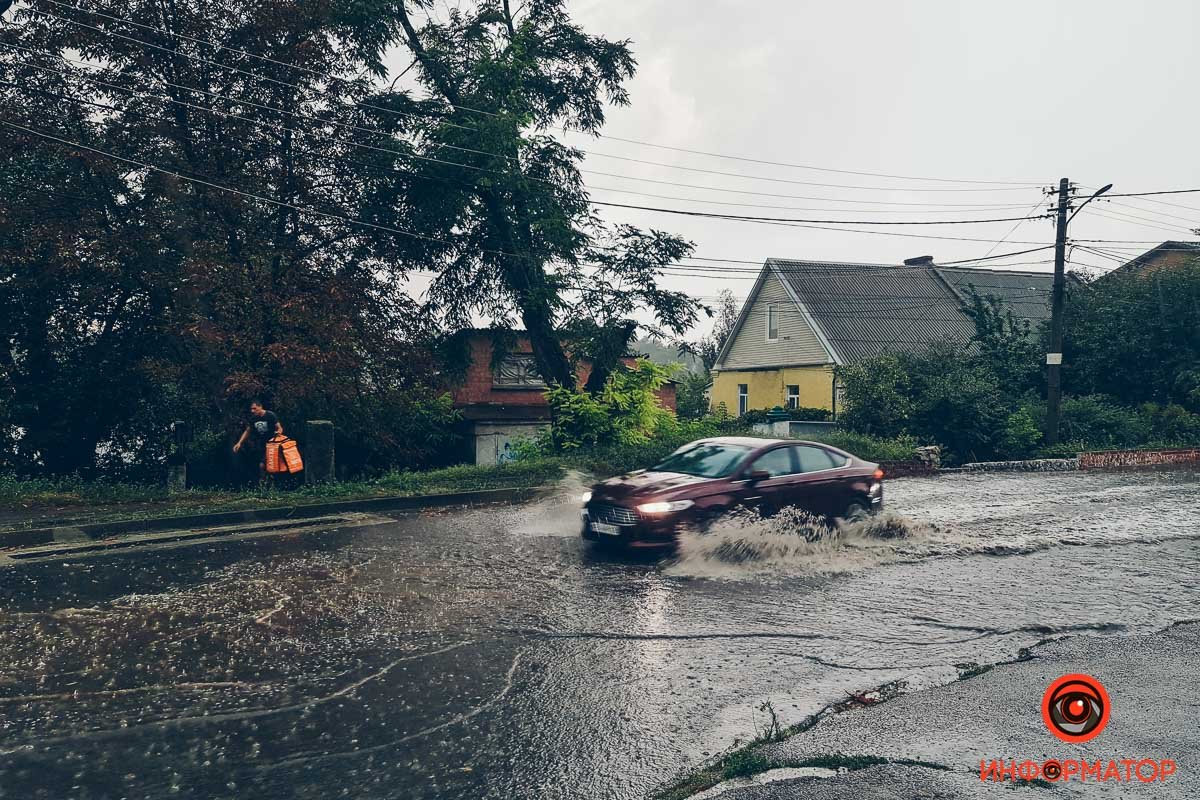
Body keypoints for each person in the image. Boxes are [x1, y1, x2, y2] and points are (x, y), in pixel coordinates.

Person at [233, 400, 283, 483]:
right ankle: (265, 483)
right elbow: (247, 431)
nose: (252, 411)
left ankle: (265, 482)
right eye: (251, 409)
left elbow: (279, 427)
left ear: (260, 407)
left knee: (264, 464)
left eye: (255, 409)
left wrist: (278, 433)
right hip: (261, 444)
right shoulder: (253, 418)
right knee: (262, 464)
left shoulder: (270, 415)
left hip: (272, 444)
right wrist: (239, 443)